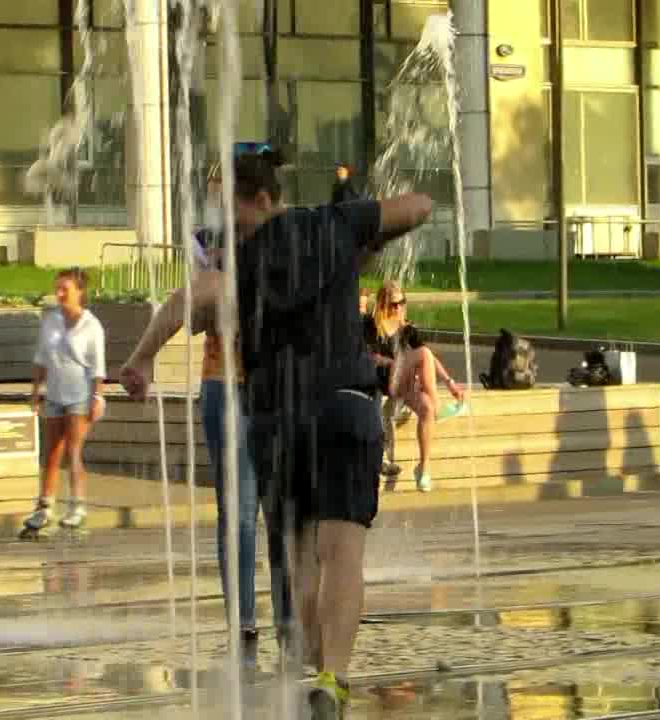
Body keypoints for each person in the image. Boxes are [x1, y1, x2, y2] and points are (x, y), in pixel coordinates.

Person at [120, 148, 433, 719]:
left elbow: (187, 301)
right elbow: (419, 207)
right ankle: (332, 678)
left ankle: (318, 666)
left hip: (280, 422)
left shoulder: (244, 260)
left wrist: (142, 358)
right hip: (344, 407)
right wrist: (366, 238)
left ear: (262, 199)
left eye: (235, 215)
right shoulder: (334, 224)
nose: (230, 228)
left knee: (303, 557)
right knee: (341, 556)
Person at [190, 170, 293, 669]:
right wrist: (213, 277)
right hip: (223, 382)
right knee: (237, 511)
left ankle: (289, 620)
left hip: (272, 384)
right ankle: (244, 622)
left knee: (280, 508)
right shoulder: (206, 246)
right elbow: (194, 319)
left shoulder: (283, 242)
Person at [25, 268, 107, 533]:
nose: (59, 294)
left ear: (79, 292)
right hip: (54, 394)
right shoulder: (51, 320)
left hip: (80, 396)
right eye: (57, 288)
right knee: (51, 452)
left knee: (73, 451)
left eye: (65, 289)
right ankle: (44, 507)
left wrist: (97, 396)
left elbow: (98, 366)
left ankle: (77, 506)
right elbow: (41, 357)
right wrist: (36, 390)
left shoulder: (91, 325)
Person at [364, 281, 465, 490]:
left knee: (426, 406)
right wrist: (388, 362)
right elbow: (368, 355)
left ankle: (423, 469)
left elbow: (430, 360)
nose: (398, 308)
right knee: (424, 353)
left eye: (402, 302)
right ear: (382, 304)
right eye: (394, 304)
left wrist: (450, 383)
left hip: (403, 384)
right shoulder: (372, 326)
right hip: (383, 380)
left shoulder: (407, 329)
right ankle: (438, 409)